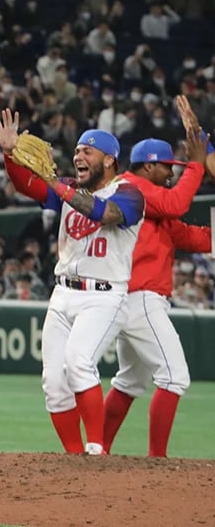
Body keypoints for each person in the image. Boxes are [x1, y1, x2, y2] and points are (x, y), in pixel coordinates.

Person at [0, 111, 145, 455]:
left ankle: (97, 451)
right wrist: (8, 154)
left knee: (79, 362)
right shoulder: (66, 188)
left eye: (88, 151)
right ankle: (74, 459)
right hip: (63, 292)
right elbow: (25, 184)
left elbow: (104, 214)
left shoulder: (130, 193)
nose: (79, 156)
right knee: (53, 382)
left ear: (109, 159)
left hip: (105, 295)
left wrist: (56, 183)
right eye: (77, 150)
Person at [104, 120, 212, 457]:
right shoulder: (132, 187)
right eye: (167, 167)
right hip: (141, 298)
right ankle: (157, 459)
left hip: (134, 297)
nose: (171, 173)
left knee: (130, 381)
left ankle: (98, 451)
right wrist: (197, 164)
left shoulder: (152, 206)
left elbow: (188, 235)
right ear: (148, 165)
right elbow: (177, 203)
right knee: (174, 376)